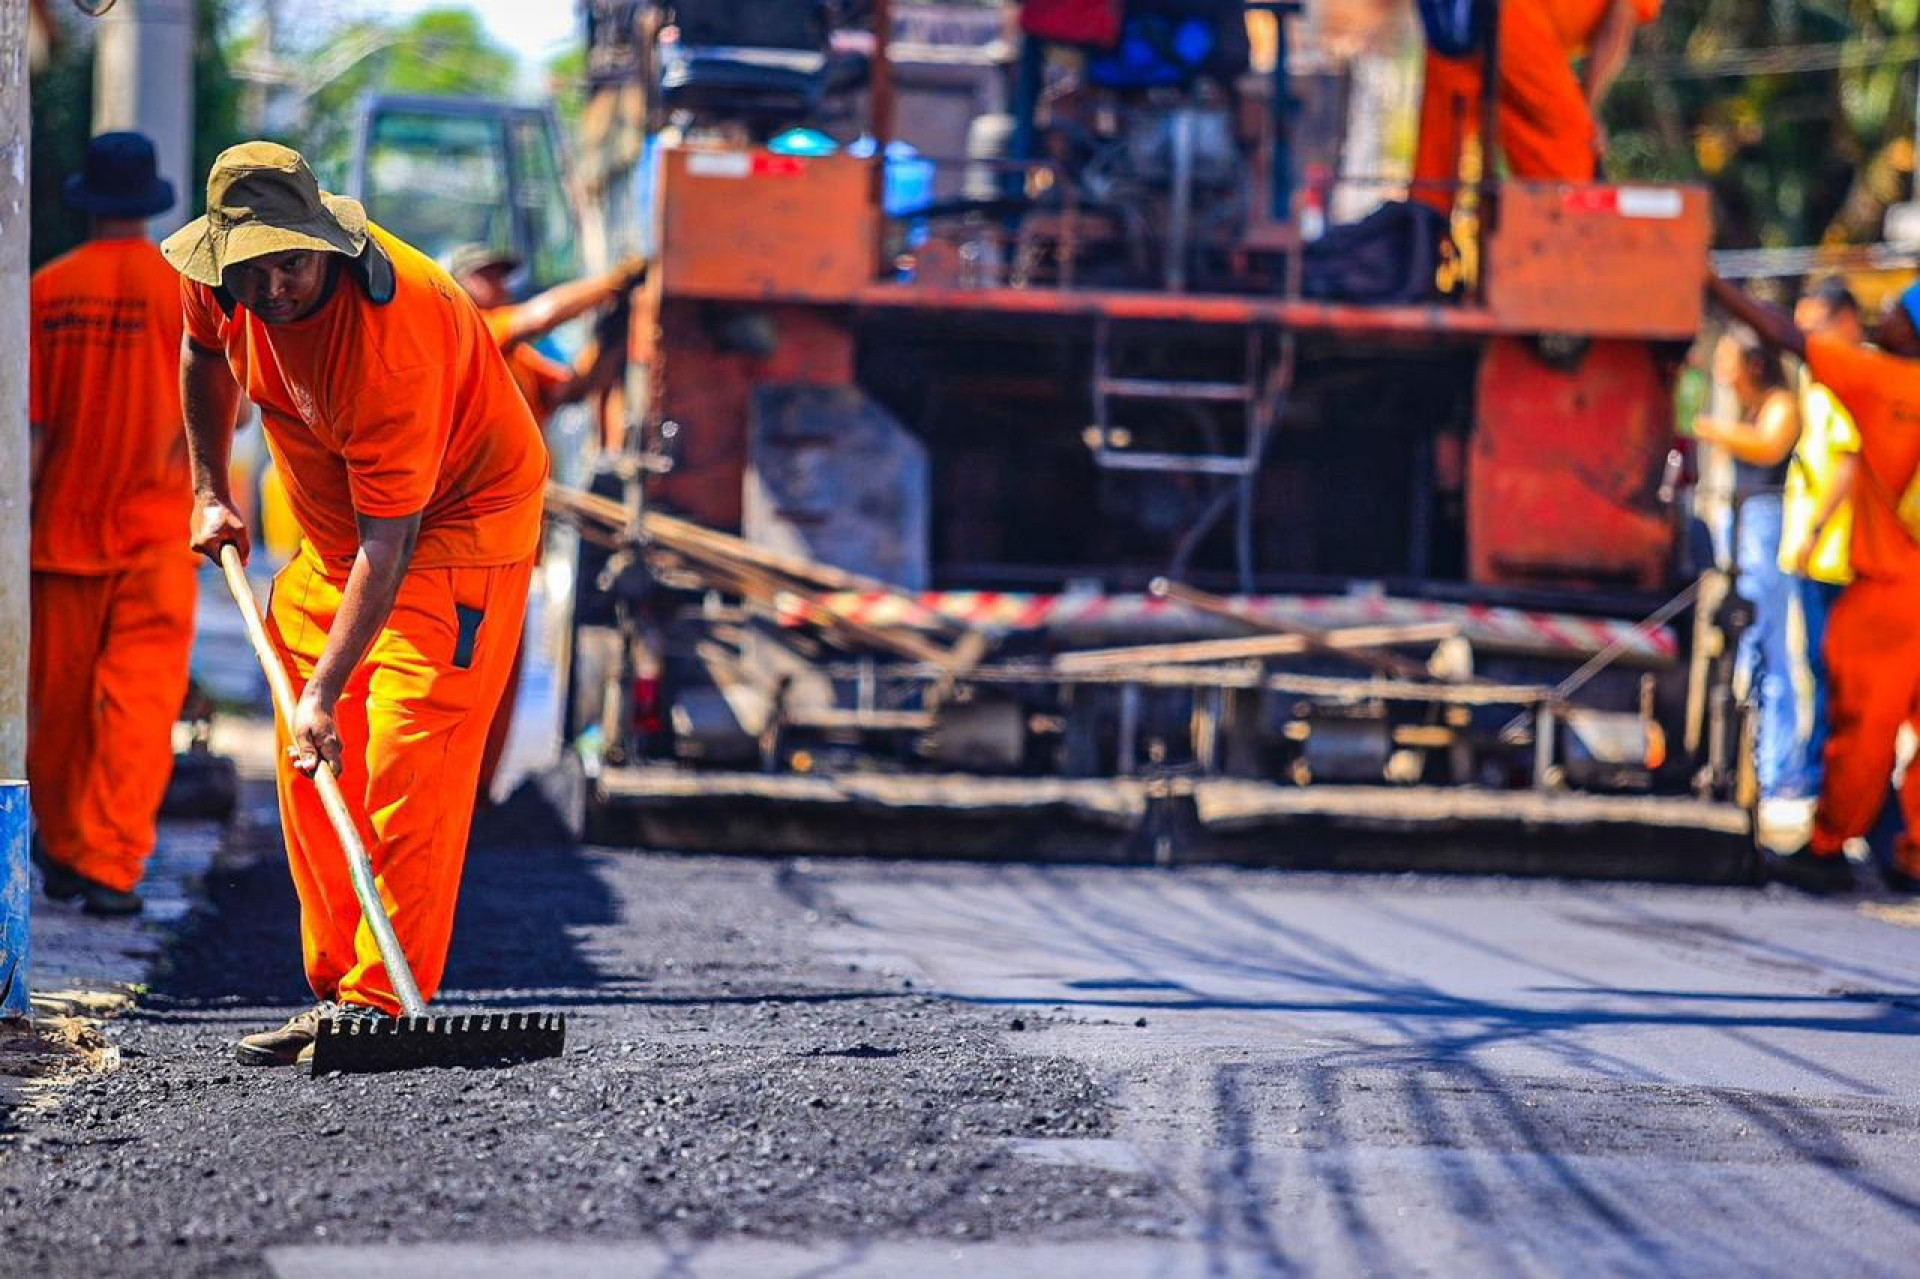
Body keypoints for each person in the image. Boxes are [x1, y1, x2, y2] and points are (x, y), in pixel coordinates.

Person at [163, 142, 550, 1064]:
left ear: (326, 245)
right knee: (310, 771)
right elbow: (200, 354)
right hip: (336, 536)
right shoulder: (220, 283)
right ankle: (338, 986)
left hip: (453, 530)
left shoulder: (394, 340)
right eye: (250, 269)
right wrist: (209, 486)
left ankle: (385, 999)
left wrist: (324, 691)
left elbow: (395, 541)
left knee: (404, 752)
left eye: (289, 263)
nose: (271, 288)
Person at [26, 132, 193, 917]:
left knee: (54, 706)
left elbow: (23, 430)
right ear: (149, 200)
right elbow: (219, 419)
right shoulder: (182, 292)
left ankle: (59, 849)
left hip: (58, 533)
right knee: (138, 706)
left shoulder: (45, 291)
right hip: (158, 532)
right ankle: (112, 863)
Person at [1708, 274, 1920, 893]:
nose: (1882, 321)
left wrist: (1714, 286)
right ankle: (1909, 852)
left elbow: (1790, 339)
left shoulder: (1885, 381)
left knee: (1862, 728)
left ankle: (1827, 849)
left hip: (1891, 590)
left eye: (1894, 314)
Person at [444, 244, 643, 799]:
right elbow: (540, 315)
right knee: (462, 668)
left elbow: (569, 390)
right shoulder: (472, 333)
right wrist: (613, 281)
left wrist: (610, 335)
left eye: (504, 278)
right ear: (459, 284)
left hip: (514, 536)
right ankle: (448, 788)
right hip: (465, 536)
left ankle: (479, 795)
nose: (500, 287)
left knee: (502, 669)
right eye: (487, 278)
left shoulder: (518, 356)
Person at [1690, 328, 1804, 812]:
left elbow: (1768, 447)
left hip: (1766, 522)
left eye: (1728, 361)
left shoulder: (1781, 404)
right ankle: (1748, 761)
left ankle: (1780, 768)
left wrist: (1709, 427)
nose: (1721, 372)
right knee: (1743, 646)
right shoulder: (1746, 408)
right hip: (1741, 522)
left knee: (1770, 644)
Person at [1413, 0, 1661, 216]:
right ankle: (1572, 257)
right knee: (1573, 152)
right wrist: (1586, 113)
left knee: (1433, 180)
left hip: (1451, 26)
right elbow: (1616, 30)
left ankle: (1419, 259)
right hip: (1510, 20)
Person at [1779, 279, 1865, 818]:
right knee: (1813, 666)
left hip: (1834, 553)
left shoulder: (1848, 379)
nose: (1808, 339)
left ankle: (1820, 772)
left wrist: (1814, 531)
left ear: (1846, 320)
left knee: (1827, 667)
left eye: (1817, 327)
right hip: (1817, 551)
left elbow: (1848, 461)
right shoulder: (1822, 379)